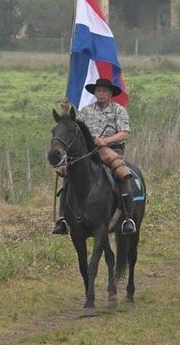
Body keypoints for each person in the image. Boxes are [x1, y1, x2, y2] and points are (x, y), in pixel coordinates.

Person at [53, 77, 137, 236]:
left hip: (111, 150)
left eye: (104, 91)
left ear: (110, 93)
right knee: (67, 172)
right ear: (95, 93)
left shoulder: (118, 110)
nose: (101, 93)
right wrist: (65, 110)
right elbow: (74, 125)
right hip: (87, 153)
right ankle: (63, 218)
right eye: (98, 91)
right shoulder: (86, 110)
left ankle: (127, 218)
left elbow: (124, 133)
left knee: (121, 173)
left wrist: (106, 140)